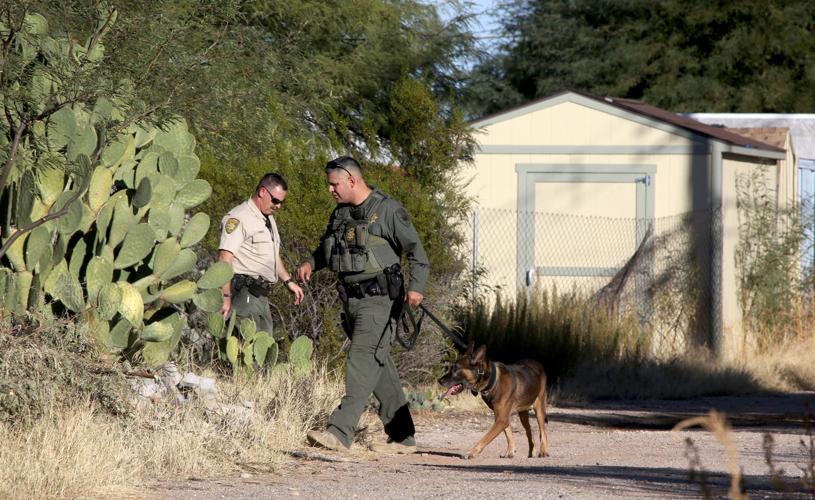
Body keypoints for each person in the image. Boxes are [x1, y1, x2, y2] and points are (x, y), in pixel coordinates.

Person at [297, 156, 429, 454]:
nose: (330, 190)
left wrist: (417, 289)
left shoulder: (388, 210)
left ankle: (340, 431)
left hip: (381, 300)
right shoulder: (340, 213)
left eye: (334, 184)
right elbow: (327, 248)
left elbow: (417, 253)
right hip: (352, 301)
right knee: (377, 363)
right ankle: (403, 433)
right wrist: (310, 263)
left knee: (362, 359)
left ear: (352, 181)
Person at [219, 173, 304, 338]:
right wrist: (226, 297)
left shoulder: (268, 218)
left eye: (281, 202)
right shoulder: (239, 217)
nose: (278, 206)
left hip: (261, 295)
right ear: (263, 192)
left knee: (263, 349)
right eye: (276, 201)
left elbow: (272, 256)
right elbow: (224, 258)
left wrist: (288, 281)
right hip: (244, 293)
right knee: (243, 348)